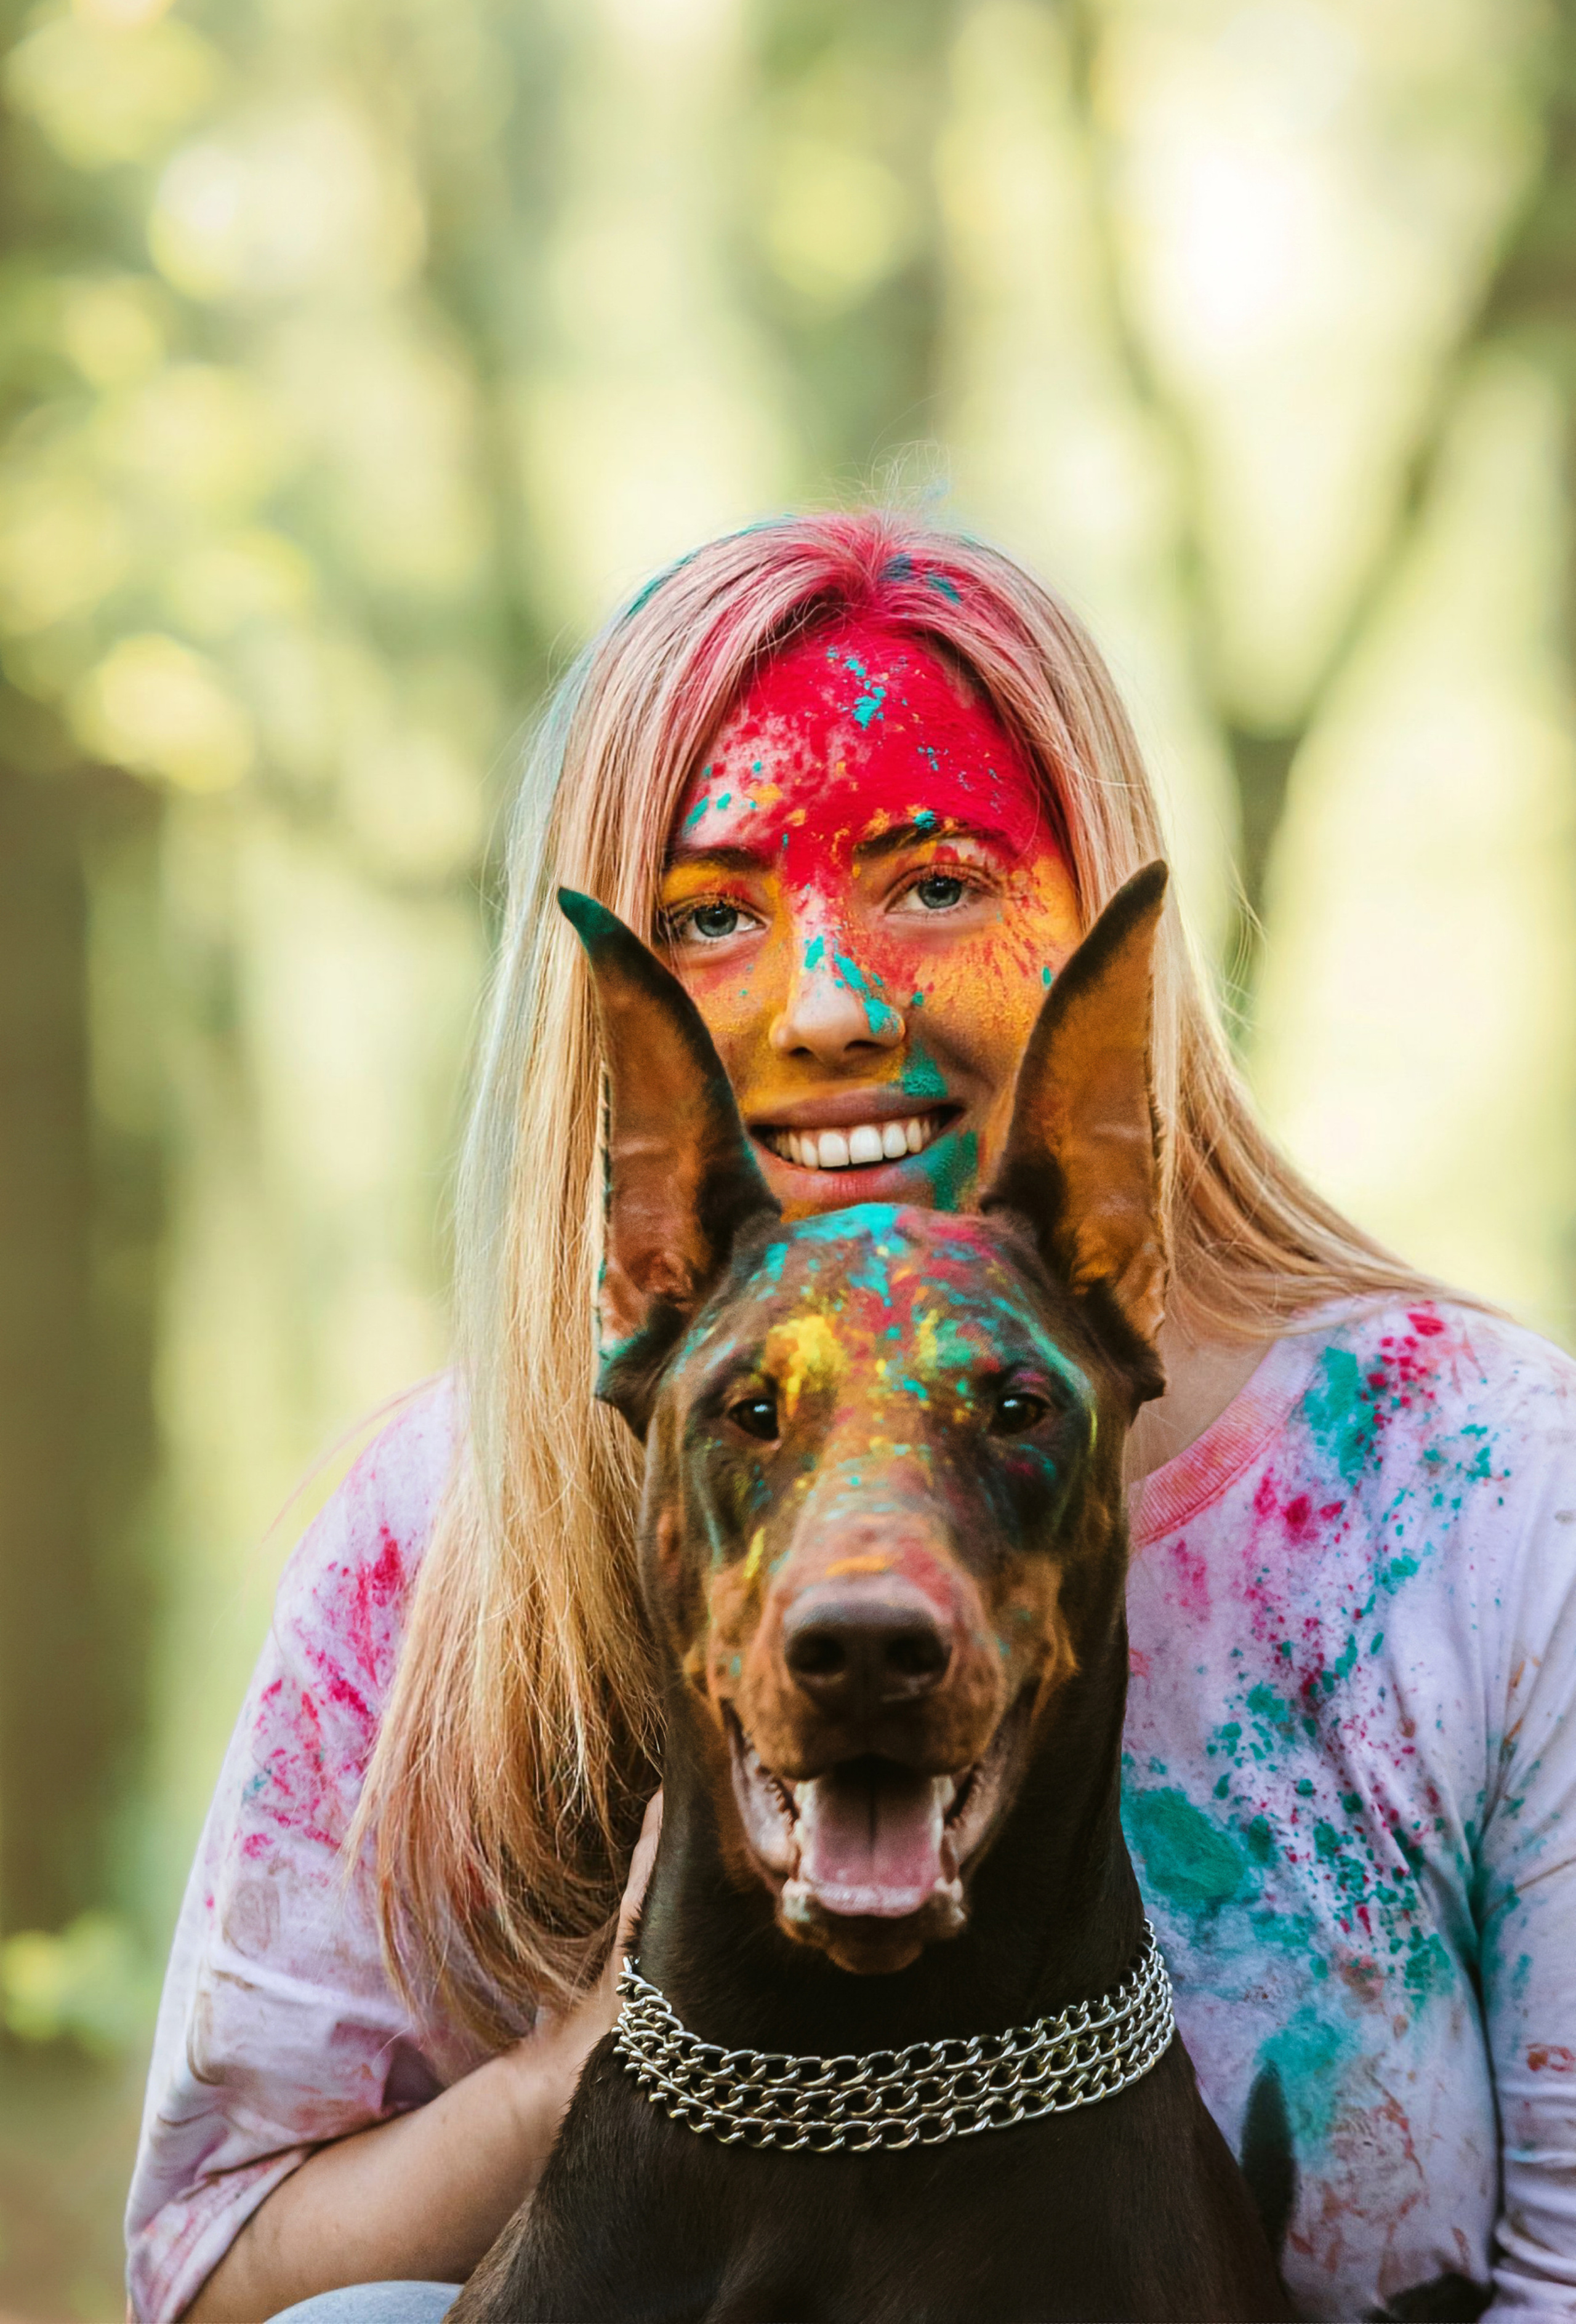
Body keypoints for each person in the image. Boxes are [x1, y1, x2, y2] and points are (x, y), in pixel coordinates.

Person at [126, 513, 1576, 2323]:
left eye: (936, 881)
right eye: (715, 914)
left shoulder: (1483, 1481)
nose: (830, 1001)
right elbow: (213, 2275)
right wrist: (591, 2050)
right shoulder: (446, 1523)